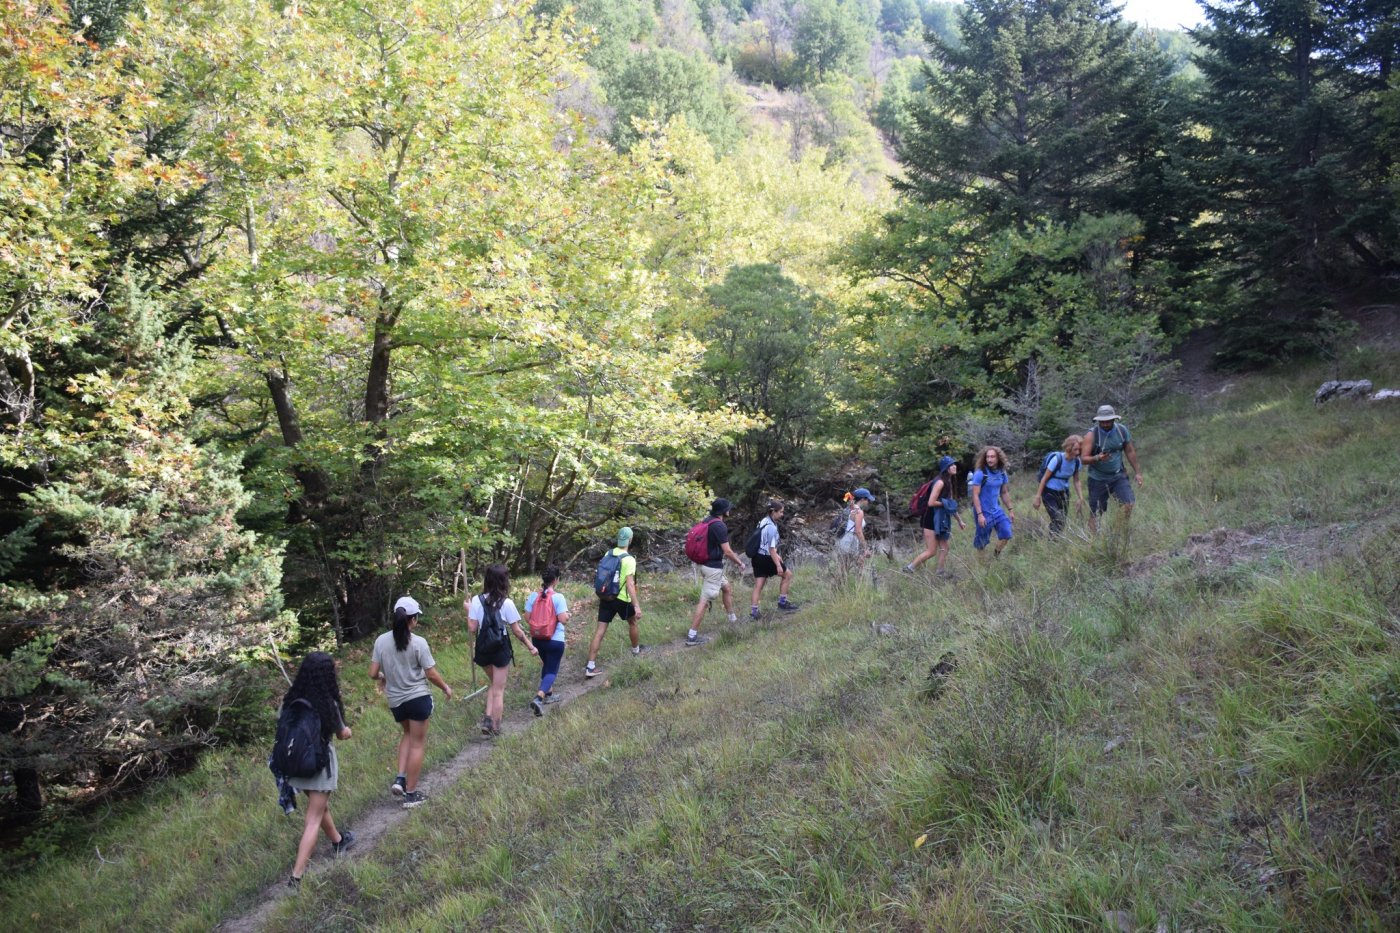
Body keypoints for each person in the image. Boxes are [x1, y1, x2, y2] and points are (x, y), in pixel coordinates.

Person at [369, 596, 453, 809]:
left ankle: (400, 778)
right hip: (417, 698)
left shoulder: (381, 641)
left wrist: (384, 677)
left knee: (407, 734)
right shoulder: (418, 643)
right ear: (413, 619)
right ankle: (411, 795)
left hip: (396, 702)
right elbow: (431, 673)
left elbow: (372, 673)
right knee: (417, 743)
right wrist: (445, 687)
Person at [282, 652, 354, 888]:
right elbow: (342, 734)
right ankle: (296, 877)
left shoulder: (292, 699)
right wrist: (347, 730)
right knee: (313, 818)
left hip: (295, 766)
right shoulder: (327, 703)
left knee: (319, 808)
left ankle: (338, 841)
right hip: (319, 765)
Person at [466, 564, 538, 736]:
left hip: (483, 649)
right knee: (498, 690)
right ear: (503, 581)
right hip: (500, 649)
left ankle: (488, 719)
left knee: (494, 684)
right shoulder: (507, 603)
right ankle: (496, 729)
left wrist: (468, 610)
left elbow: (472, 628)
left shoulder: (476, 601)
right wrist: (530, 646)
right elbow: (517, 631)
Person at [583, 528, 645, 679]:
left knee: (600, 630)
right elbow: (630, 585)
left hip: (606, 596)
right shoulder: (629, 559)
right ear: (630, 540)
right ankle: (636, 651)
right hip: (621, 599)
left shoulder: (608, 553)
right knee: (632, 623)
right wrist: (636, 605)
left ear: (618, 539)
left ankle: (590, 666)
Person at [687, 498, 747, 646]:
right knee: (705, 600)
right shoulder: (719, 526)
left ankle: (732, 619)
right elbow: (727, 551)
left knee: (726, 587)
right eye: (728, 508)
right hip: (713, 568)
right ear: (724, 511)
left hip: (704, 565)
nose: (730, 510)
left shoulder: (707, 521)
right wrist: (740, 562)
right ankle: (692, 636)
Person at [1079, 405, 1143, 533]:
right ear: (1098, 421)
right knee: (1096, 513)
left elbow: (1129, 451)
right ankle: (1094, 540)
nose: (1106, 424)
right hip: (1098, 479)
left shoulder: (1122, 431)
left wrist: (1138, 473)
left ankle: (1117, 533)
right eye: (1103, 421)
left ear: (1114, 419)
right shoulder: (1091, 436)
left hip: (1118, 475)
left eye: (1108, 421)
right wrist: (1097, 458)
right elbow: (1083, 459)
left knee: (1128, 503)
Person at [904, 457, 968, 577]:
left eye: (954, 464)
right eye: (951, 465)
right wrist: (945, 503)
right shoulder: (940, 482)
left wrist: (960, 521)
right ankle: (909, 569)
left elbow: (950, 504)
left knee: (945, 547)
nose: (954, 466)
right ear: (946, 468)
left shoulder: (948, 481)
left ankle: (940, 572)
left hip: (940, 520)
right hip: (930, 520)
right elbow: (931, 502)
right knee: (931, 551)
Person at [524, 565, 570, 714]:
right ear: (556, 580)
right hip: (555, 639)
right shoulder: (558, 597)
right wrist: (568, 616)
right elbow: (563, 619)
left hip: (537, 638)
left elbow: (527, 617)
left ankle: (549, 695)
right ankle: (539, 697)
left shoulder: (533, 596)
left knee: (546, 665)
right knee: (552, 669)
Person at [750, 500, 798, 619]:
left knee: (758, 585)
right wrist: (777, 564)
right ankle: (782, 603)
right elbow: (771, 549)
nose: (782, 514)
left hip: (757, 557)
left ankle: (754, 612)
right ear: (773, 512)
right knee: (787, 575)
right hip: (767, 557)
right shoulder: (771, 527)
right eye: (780, 512)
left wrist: (777, 555)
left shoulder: (763, 521)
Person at [1033, 435, 1084, 536]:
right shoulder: (1057, 459)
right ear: (1069, 448)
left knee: (1062, 521)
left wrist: (1080, 498)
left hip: (1064, 493)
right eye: (1075, 449)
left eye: (1079, 449)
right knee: (1058, 518)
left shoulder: (1077, 462)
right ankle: (1052, 541)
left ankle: (1053, 541)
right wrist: (1038, 497)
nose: (1077, 452)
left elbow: (1076, 480)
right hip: (1049, 493)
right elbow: (1044, 479)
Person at [969, 447, 1015, 558]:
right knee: (982, 543)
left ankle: (996, 555)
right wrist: (980, 515)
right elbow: (975, 495)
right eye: (988, 457)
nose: (990, 459)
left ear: (998, 458)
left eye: (992, 457)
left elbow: (1004, 492)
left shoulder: (1002, 473)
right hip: (983, 512)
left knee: (1006, 533)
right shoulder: (980, 473)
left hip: (997, 510)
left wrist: (1010, 509)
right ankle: (982, 568)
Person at [835, 488, 876, 569]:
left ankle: (847, 581)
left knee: (843, 567)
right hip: (848, 539)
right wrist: (865, 548)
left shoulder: (849, 507)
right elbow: (858, 531)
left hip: (842, 537)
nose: (868, 502)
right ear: (862, 499)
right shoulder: (859, 512)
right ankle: (860, 580)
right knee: (846, 566)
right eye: (868, 500)